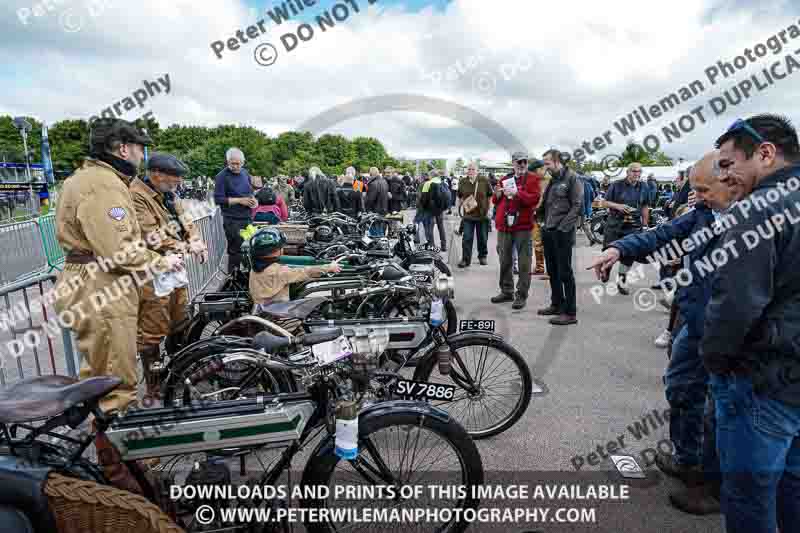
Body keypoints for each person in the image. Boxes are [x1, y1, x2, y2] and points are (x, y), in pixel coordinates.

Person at [590, 150, 731, 515]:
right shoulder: (702, 213)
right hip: (692, 320)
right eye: (694, 188)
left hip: (724, 332)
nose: (695, 195)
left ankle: (715, 486)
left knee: (719, 409)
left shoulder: (749, 221)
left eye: (703, 189)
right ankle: (688, 458)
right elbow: (660, 235)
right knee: (680, 386)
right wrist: (618, 249)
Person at [54, 118, 184, 492]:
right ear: (122, 148)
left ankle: (121, 458)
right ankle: (120, 477)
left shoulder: (92, 179)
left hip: (96, 283)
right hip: (101, 288)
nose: (142, 156)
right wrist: (161, 262)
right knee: (114, 383)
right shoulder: (103, 185)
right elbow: (117, 248)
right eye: (139, 148)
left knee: (106, 376)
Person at [700, 114, 800, 533]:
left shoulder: (757, 210)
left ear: (765, 153)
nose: (723, 176)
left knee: (747, 496)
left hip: (760, 381)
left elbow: (736, 305)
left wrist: (714, 360)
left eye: (727, 164)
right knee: (791, 486)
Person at [130, 152, 207, 399]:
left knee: (181, 321)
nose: (178, 185)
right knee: (152, 331)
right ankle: (153, 386)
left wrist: (196, 241)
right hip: (153, 273)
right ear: (156, 174)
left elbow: (187, 223)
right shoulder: (136, 195)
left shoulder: (170, 195)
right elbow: (151, 236)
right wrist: (186, 247)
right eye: (174, 179)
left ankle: (179, 371)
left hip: (175, 270)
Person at [490, 150, 541, 310]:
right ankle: (506, 291)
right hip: (504, 225)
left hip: (523, 226)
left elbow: (534, 198)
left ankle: (521, 295)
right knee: (504, 260)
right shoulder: (505, 178)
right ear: (513, 163)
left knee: (524, 262)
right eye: (519, 162)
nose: (522, 165)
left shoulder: (533, 179)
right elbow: (495, 200)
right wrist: (497, 194)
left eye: (524, 162)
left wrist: (517, 193)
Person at [537, 149, 583, 324]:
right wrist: (540, 220)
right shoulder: (554, 180)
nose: (545, 166)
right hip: (549, 230)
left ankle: (570, 313)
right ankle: (556, 304)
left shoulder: (572, 178)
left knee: (565, 272)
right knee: (553, 271)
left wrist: (562, 228)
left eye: (548, 163)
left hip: (562, 232)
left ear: (557, 161)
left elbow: (577, 206)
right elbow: (547, 203)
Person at [249, 227, 341, 309]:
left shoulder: (256, 266)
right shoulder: (277, 272)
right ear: (273, 251)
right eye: (281, 246)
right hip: (277, 315)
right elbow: (305, 272)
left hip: (261, 307)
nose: (283, 248)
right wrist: (329, 267)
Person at [600, 162, 651, 295]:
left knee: (629, 254)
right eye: (634, 171)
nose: (637, 174)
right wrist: (618, 206)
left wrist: (645, 224)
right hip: (615, 224)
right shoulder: (616, 185)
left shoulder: (644, 186)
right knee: (609, 249)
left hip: (633, 226)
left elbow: (645, 206)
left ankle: (621, 281)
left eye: (639, 171)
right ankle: (606, 270)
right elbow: (604, 202)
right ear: (627, 172)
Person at [214, 147, 256, 273]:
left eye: (238, 164)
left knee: (249, 247)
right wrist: (239, 200)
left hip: (247, 218)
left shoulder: (245, 173)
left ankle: (247, 275)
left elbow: (250, 192)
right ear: (228, 162)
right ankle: (232, 278)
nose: (236, 166)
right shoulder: (221, 176)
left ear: (243, 162)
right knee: (235, 250)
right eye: (233, 163)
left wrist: (253, 201)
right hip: (232, 220)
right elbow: (219, 199)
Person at [457, 162, 491, 267]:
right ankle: (465, 259)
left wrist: (489, 209)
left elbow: (490, 195)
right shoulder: (462, 181)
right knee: (466, 237)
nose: (470, 171)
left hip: (482, 214)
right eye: (469, 169)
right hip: (468, 215)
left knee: (482, 237)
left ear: (477, 170)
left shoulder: (484, 180)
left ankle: (482, 256)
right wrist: (460, 206)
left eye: (473, 169)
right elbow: (460, 196)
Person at [418, 170, 449, 251]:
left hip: (430, 210)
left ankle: (432, 246)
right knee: (441, 227)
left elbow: (423, 199)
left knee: (430, 228)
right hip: (440, 210)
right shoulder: (443, 183)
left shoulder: (427, 184)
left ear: (431, 176)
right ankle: (444, 246)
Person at [529, 160, 549, 277]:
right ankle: (539, 267)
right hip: (535, 215)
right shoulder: (533, 180)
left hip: (547, 216)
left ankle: (551, 270)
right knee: (537, 242)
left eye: (534, 172)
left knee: (548, 243)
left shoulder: (550, 180)